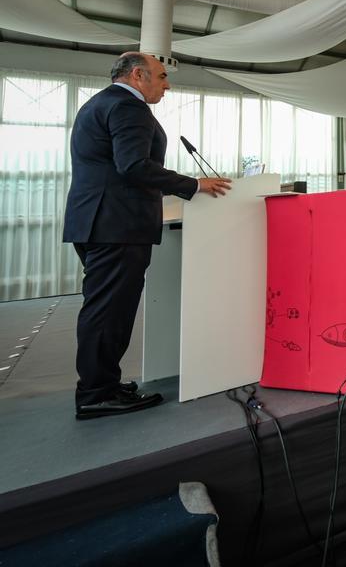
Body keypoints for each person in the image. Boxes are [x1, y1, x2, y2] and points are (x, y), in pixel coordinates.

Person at [64, 53, 231, 419]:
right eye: (161, 76)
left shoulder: (101, 102)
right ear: (138, 75)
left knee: (105, 307)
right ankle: (95, 393)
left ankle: (102, 382)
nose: (167, 84)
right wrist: (194, 185)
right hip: (117, 225)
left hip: (97, 221)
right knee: (109, 311)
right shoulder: (128, 107)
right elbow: (135, 166)